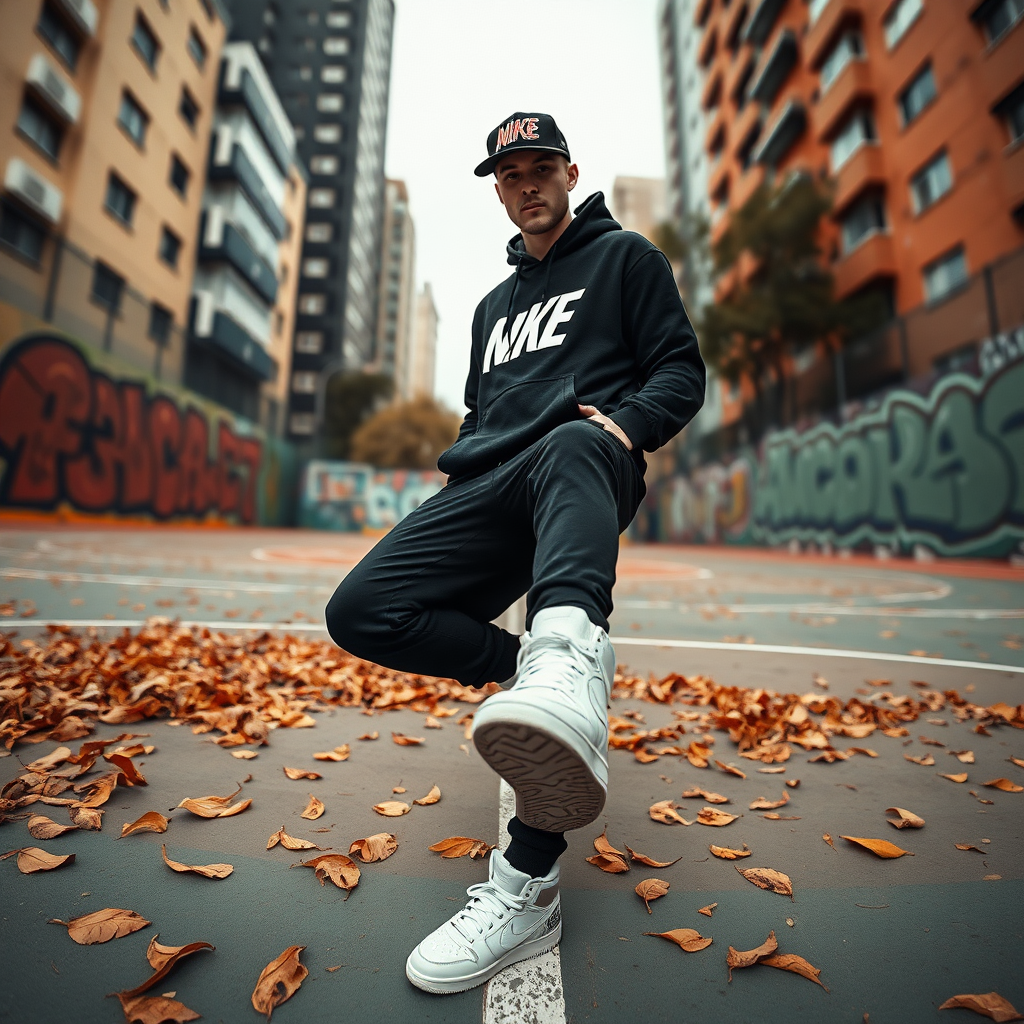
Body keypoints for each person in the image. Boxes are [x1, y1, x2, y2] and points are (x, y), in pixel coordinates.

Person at [326, 111, 705, 995]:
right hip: (486, 487)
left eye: (540, 168)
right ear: (497, 188)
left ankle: (526, 880)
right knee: (359, 610)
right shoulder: (493, 308)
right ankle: (534, 670)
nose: (525, 184)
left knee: (573, 440)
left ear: (572, 173)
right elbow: (477, 413)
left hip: (577, 464)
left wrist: (627, 426)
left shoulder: (626, 260)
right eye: (508, 174)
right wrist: (460, 476)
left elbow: (679, 370)